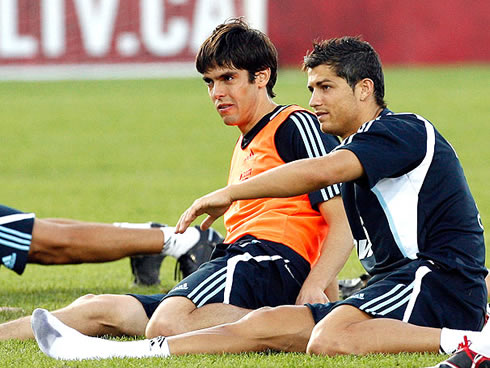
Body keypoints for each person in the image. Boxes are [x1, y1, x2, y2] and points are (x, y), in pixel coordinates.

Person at [30, 36, 489, 368]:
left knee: (330, 337)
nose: (314, 101)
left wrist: (228, 194)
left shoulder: (401, 130)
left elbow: (320, 172)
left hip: (437, 279)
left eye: (326, 88)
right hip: (397, 282)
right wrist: (323, 287)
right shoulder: (363, 149)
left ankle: (472, 339)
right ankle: (109, 351)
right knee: (268, 323)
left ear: (364, 89)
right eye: (311, 88)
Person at [1, 19, 352, 341]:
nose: (216, 93)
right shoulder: (245, 143)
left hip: (268, 261)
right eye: (210, 82)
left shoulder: (294, 124)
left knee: (168, 324)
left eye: (228, 78)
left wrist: (317, 291)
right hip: (241, 261)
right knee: (99, 307)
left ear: (261, 76)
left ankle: (300, 324)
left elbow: (341, 219)